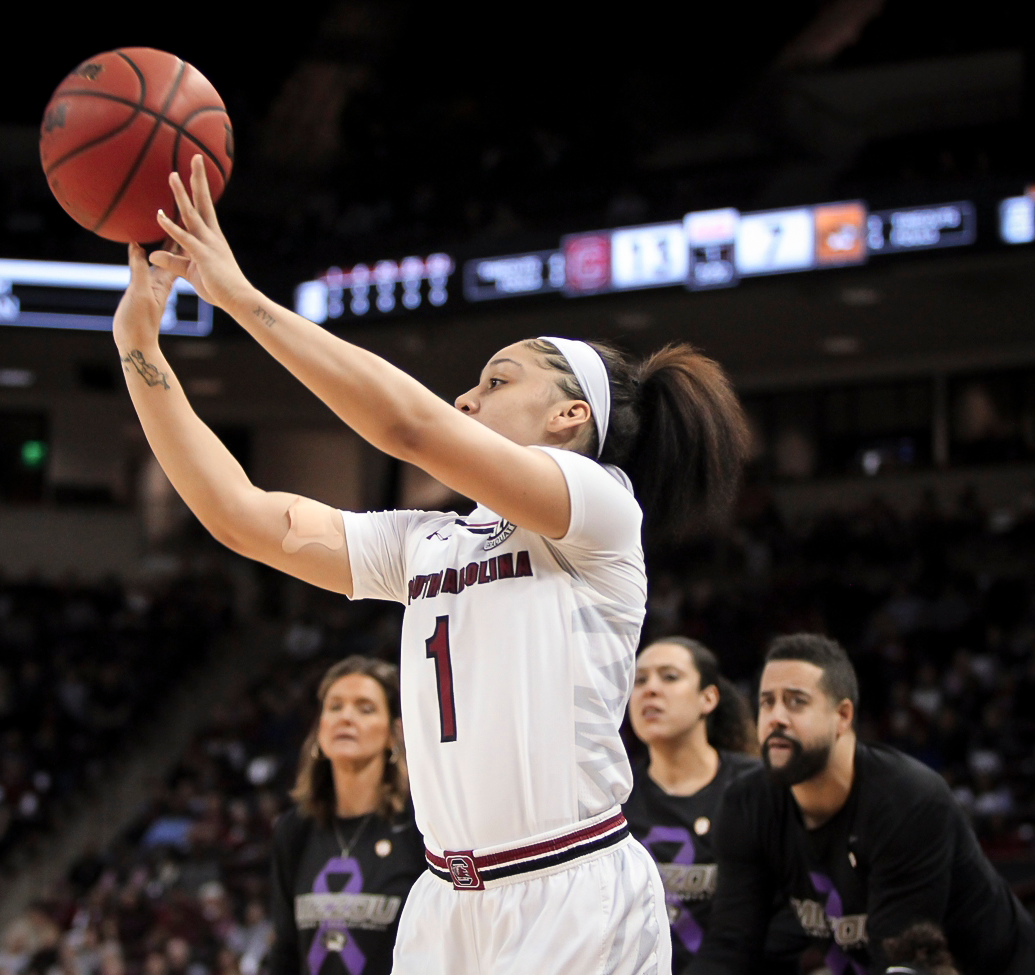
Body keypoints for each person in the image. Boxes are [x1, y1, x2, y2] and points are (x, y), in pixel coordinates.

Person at [112, 155, 750, 974]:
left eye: (496, 379)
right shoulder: (429, 542)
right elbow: (240, 517)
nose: (466, 399)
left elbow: (407, 428)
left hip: (569, 888)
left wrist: (236, 292)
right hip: (444, 903)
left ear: (568, 415)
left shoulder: (596, 506)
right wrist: (139, 345)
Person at [689, 633, 1035, 975]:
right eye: (766, 702)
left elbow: (904, 962)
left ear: (842, 716)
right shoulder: (746, 802)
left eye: (796, 701)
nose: (776, 717)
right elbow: (731, 945)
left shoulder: (908, 799)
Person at [268, 656, 425, 975]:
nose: (346, 718)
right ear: (320, 728)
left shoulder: (421, 827)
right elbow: (285, 951)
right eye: (335, 707)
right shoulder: (294, 830)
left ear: (394, 733)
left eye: (365, 708)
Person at [623, 637, 759, 973]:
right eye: (639, 680)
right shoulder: (613, 799)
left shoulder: (756, 787)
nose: (649, 689)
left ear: (708, 697)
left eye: (669, 677)